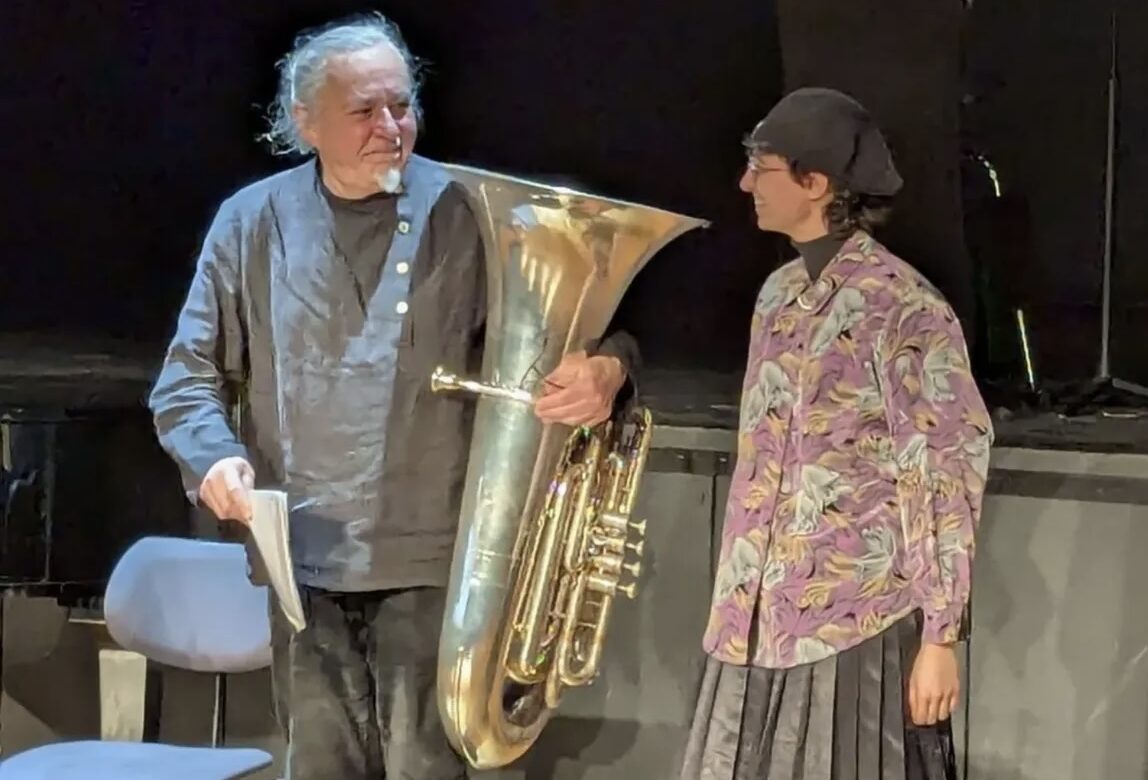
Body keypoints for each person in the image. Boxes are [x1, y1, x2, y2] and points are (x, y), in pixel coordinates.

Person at [147, 13, 637, 780]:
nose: (390, 127)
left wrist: (608, 369)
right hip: (302, 563)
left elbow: (594, 339)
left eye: (401, 105)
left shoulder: (475, 212)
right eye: (363, 110)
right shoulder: (250, 222)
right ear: (305, 122)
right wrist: (213, 458)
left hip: (438, 562)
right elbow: (185, 381)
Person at [681, 87, 993, 780]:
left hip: (852, 625)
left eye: (760, 167)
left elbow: (942, 467)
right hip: (753, 623)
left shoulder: (902, 306)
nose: (745, 184)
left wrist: (940, 635)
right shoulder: (777, 295)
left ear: (814, 182)